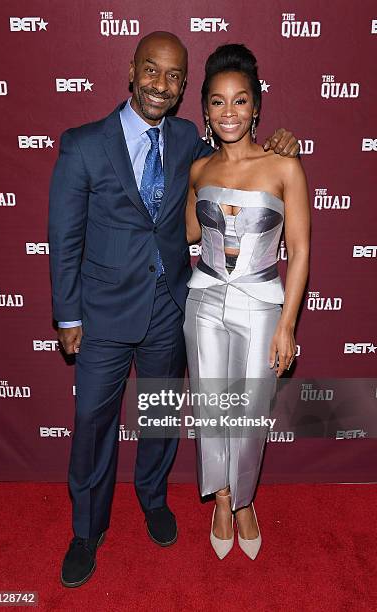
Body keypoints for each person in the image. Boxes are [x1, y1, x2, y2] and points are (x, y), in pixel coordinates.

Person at [48, 31, 299, 587]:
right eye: (152, 71)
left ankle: (154, 499)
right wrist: (67, 317)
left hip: (170, 307)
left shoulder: (188, 137)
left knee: (160, 417)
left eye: (175, 77)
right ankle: (87, 530)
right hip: (104, 314)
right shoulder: (84, 143)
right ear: (131, 71)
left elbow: (236, 163)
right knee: (93, 423)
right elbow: (63, 237)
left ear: (186, 88)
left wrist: (285, 144)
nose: (162, 85)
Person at [184, 43, 310, 560]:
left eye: (240, 101)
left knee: (251, 411)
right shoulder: (198, 171)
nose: (229, 112)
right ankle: (220, 498)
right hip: (204, 300)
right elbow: (189, 231)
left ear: (256, 106)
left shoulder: (284, 166)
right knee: (212, 406)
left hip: (262, 301)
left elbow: (300, 250)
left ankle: (244, 502)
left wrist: (287, 325)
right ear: (206, 111)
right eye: (217, 102)